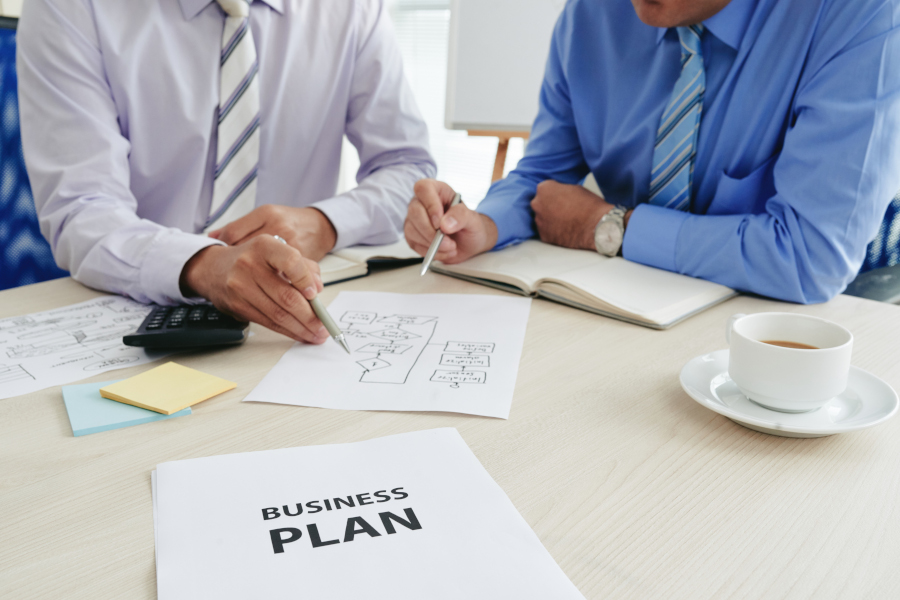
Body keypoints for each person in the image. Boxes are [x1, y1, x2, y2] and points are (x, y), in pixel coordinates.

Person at [404, 0, 900, 304]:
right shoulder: (589, 17)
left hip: (822, 314)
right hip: (637, 307)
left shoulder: (859, 14)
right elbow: (544, 176)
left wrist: (610, 228)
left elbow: (810, 258)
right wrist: (484, 225)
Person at [18, 0, 435, 345]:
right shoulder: (70, 7)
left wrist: (324, 223)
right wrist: (204, 264)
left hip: (288, 323)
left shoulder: (352, 9)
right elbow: (82, 207)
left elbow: (405, 168)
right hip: (133, 314)